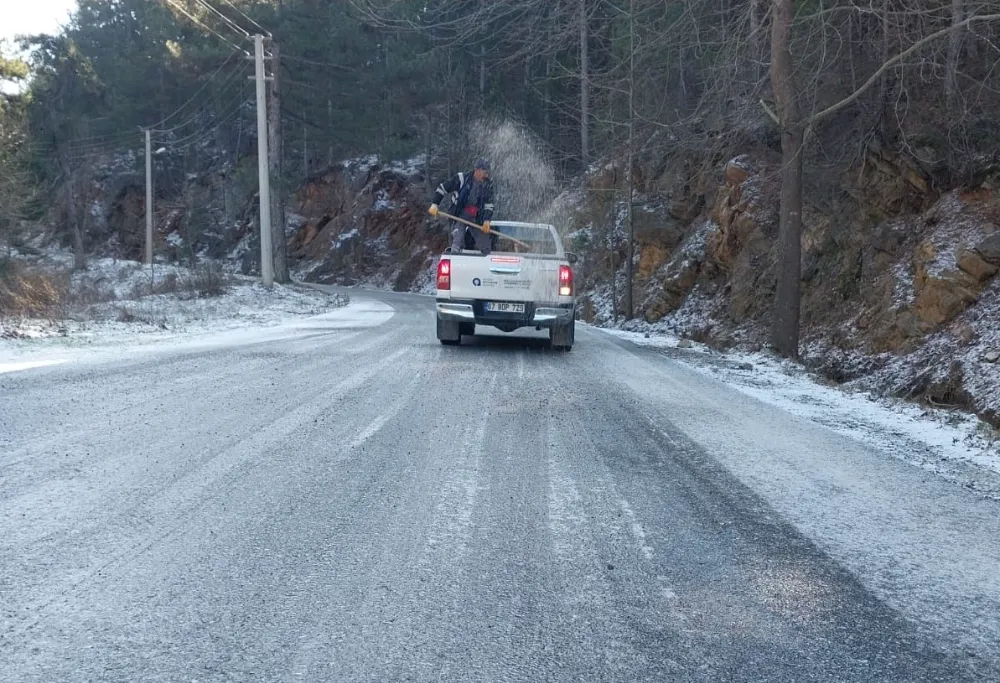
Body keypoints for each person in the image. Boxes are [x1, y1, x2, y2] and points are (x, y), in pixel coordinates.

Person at [428, 158, 496, 253]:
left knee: (485, 244)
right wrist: (435, 204)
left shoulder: (488, 185)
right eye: (485, 173)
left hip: (476, 217)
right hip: (459, 215)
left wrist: (486, 220)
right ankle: (455, 257)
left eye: (487, 173)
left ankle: (487, 260)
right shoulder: (461, 179)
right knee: (458, 240)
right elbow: (442, 188)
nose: (486, 175)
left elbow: (489, 205)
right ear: (477, 170)